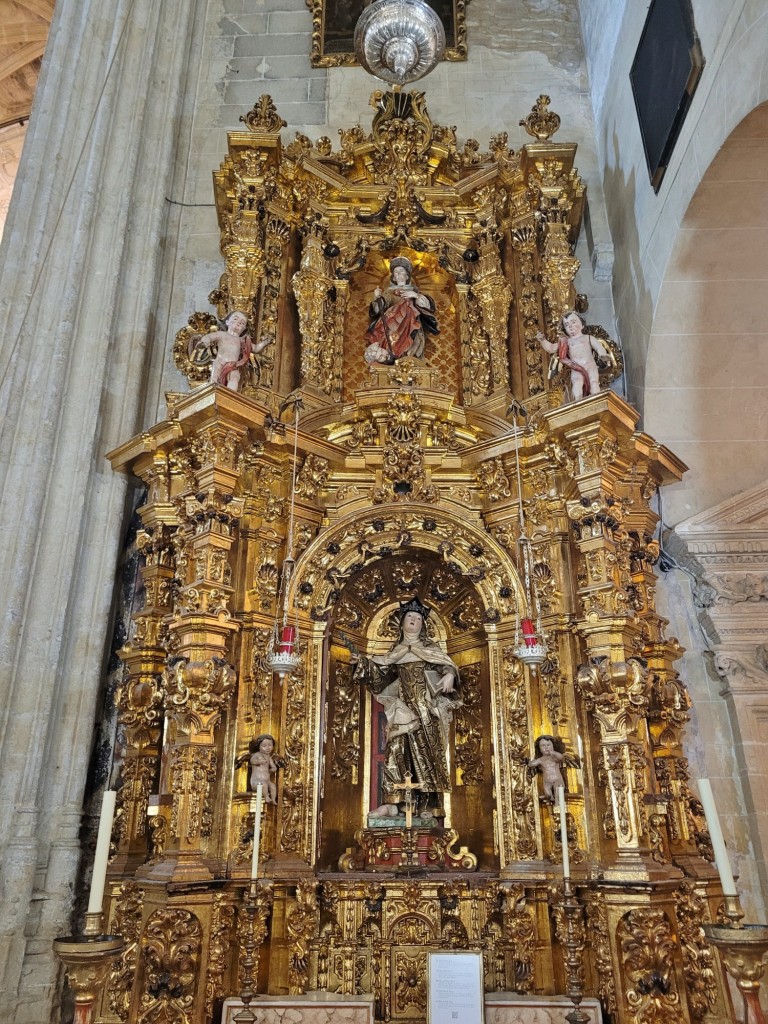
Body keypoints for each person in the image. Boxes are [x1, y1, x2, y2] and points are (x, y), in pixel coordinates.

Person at [352, 598, 460, 819]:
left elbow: (445, 665)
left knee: (426, 754)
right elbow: (380, 676)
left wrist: (450, 674)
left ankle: (427, 804)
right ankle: (392, 803)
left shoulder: (430, 649)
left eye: (418, 618)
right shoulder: (396, 651)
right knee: (396, 750)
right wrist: (362, 664)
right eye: (409, 617)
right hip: (402, 709)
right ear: (401, 623)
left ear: (423, 625)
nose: (413, 620)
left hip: (427, 710)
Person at [364, 256, 439, 366]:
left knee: (411, 344)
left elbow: (427, 306)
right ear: (393, 278)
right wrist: (377, 298)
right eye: (396, 272)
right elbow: (380, 307)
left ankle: (409, 358)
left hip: (410, 323)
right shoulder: (389, 292)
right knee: (391, 341)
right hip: (393, 324)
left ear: (407, 276)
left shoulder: (414, 292)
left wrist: (415, 296)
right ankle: (392, 358)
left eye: (401, 271)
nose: (399, 274)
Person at [536, 310, 614, 401]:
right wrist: (543, 340)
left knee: (594, 382)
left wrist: (602, 355)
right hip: (576, 367)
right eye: (567, 325)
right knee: (577, 383)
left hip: (590, 365)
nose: (570, 326)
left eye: (573, 322)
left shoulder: (588, 338)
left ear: (582, 325)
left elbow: (598, 347)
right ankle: (578, 403)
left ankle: (597, 402)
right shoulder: (567, 341)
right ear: (565, 329)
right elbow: (551, 348)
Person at [202, 310, 272, 391]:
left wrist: (264, 343)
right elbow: (209, 337)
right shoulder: (221, 334)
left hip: (233, 365)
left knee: (235, 377)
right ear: (227, 322)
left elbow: (256, 349)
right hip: (219, 361)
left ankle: (229, 395)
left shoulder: (242, 340)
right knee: (215, 377)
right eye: (235, 319)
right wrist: (206, 341)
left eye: (242, 323)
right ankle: (213, 391)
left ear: (244, 328)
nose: (238, 323)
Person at [236, 734, 281, 802]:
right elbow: (252, 761)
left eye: (270, 745)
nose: (268, 748)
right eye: (264, 746)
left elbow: (274, 767)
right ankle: (266, 797)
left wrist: (271, 770)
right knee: (264, 785)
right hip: (256, 782)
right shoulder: (256, 755)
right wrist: (259, 762)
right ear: (259, 747)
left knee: (273, 786)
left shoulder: (269, 758)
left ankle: (273, 800)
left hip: (267, 781)